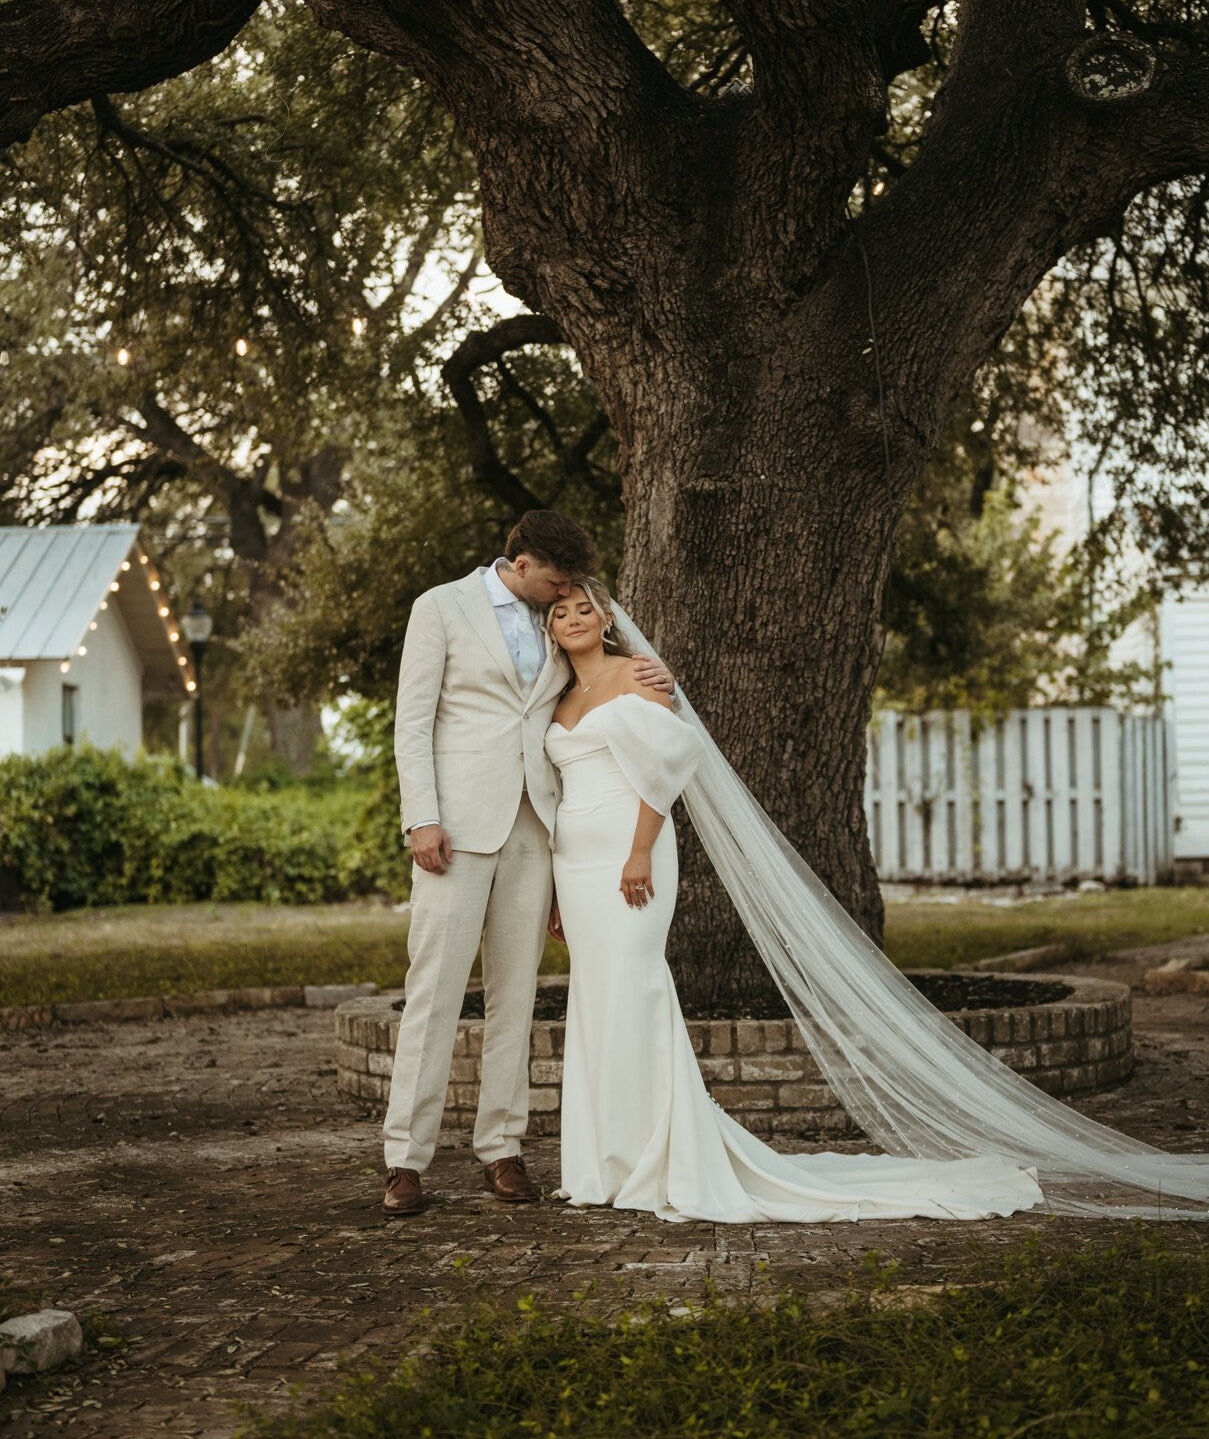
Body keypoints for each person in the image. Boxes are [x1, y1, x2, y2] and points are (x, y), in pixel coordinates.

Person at [544, 580, 1046, 1222]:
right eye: (561, 613)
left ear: (606, 618)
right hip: (575, 865)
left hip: (629, 853)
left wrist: (639, 850)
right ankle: (602, 1162)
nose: (575, 619)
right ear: (551, 629)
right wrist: (556, 889)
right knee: (594, 997)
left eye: (585, 608)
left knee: (635, 988)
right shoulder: (555, 697)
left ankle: (659, 1155)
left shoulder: (637, 675)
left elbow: (663, 768)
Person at [381, 512, 670, 1216]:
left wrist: (651, 669)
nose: (564, 591)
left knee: (515, 998)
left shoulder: (552, 622)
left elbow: (595, 684)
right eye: (555, 579)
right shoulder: (440, 607)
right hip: (452, 828)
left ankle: (501, 1150)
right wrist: (421, 816)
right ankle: (405, 1160)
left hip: (535, 830)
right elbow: (412, 720)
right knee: (434, 995)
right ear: (520, 562)